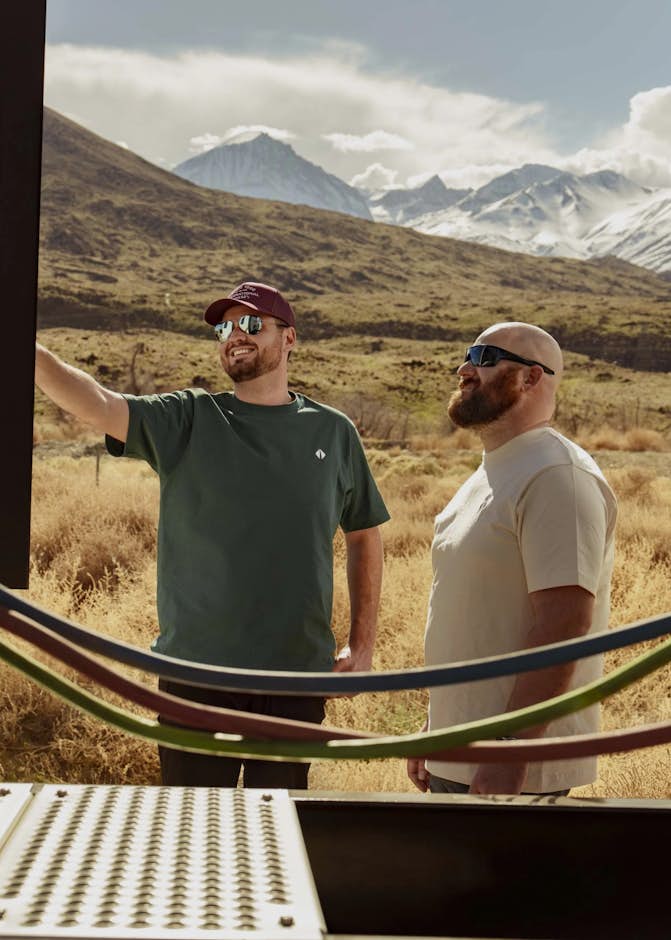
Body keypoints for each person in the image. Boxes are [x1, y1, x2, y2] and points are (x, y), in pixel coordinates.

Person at [35, 280, 389, 789]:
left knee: (277, 829)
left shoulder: (333, 432)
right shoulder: (189, 418)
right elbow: (96, 402)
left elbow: (364, 536)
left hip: (295, 676)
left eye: (250, 323)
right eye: (224, 327)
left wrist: (363, 647)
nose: (234, 336)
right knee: (191, 834)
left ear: (289, 338)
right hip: (195, 674)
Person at [407, 322, 617, 796]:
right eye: (467, 354)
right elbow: (473, 615)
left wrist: (512, 749)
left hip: (514, 770)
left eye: (485, 357)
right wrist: (437, 724)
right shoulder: (493, 470)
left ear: (532, 378)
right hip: (464, 750)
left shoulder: (557, 476)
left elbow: (564, 624)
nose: (464, 369)